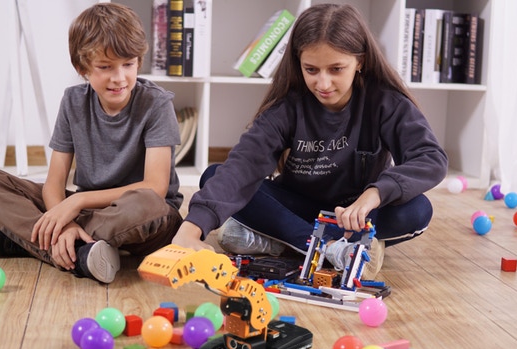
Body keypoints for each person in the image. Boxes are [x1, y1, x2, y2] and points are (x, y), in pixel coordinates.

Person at [172, 4, 448, 280]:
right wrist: (190, 229)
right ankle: (330, 249)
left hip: (355, 215)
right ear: (298, 63)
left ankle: (285, 241)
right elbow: (243, 166)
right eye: (311, 69)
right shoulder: (287, 108)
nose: (323, 83)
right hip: (296, 209)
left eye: (336, 69)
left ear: (360, 61)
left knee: (418, 209)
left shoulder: (386, 102)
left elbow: (431, 158)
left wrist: (375, 193)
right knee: (214, 175)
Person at [0, 3, 183, 284]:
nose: (119, 78)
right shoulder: (72, 101)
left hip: (145, 218)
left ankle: (37, 240)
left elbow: (155, 188)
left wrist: (77, 201)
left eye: (128, 64)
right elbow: (54, 183)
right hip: (91, 213)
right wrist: (67, 222)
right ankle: (78, 249)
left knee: (146, 203)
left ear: (138, 61)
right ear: (82, 67)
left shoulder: (157, 104)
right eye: (105, 67)